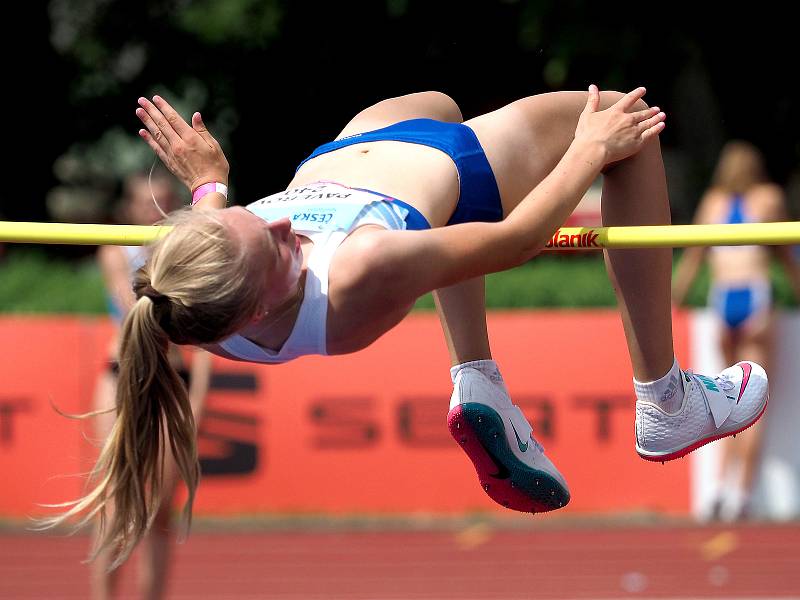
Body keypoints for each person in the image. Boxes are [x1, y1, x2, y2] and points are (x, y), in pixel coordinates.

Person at [45, 85, 768, 568]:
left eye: (254, 216)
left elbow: (209, 243)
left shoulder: (190, 293)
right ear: (263, 307)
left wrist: (211, 185)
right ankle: (666, 400)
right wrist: (590, 147)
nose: (281, 220)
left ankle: (480, 381)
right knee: (630, 121)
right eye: (275, 240)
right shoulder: (362, 269)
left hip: (348, 159)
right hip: (442, 173)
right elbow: (515, 239)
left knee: (439, 99)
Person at [91, 172, 212, 597]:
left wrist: (197, 399)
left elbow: (211, 335)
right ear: (130, 208)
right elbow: (134, 307)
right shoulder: (116, 250)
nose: (153, 212)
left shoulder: (185, 254)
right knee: (115, 506)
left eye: (162, 203)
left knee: (160, 512)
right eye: (145, 203)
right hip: (122, 374)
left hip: (172, 375)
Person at [672, 141, 800, 521]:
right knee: (753, 405)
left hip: (722, 298)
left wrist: (672, 301)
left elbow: (693, 259)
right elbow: (786, 256)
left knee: (727, 405)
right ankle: (740, 496)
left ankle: (719, 490)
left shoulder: (711, 202)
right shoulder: (769, 198)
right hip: (755, 298)